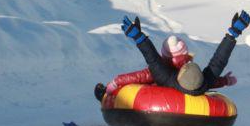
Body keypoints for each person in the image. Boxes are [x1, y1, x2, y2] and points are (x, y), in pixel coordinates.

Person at [94, 11, 250, 100]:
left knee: (142, 84)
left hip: (153, 102)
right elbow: (219, 62)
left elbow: (151, 59)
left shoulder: (165, 77)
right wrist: (233, 34)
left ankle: (104, 97)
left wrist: (112, 86)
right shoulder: (204, 82)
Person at [96, 35, 238, 101]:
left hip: (156, 101)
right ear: (186, 54)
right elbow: (212, 74)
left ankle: (105, 95)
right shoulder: (191, 73)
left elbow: (136, 76)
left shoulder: (162, 74)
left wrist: (113, 84)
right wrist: (225, 80)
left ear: (164, 55)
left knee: (136, 85)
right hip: (185, 99)